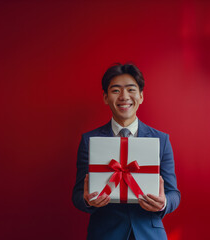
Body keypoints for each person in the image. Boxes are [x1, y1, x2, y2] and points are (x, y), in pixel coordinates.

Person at [72, 63, 180, 240]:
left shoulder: (161, 140)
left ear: (141, 96)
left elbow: (174, 193)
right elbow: (77, 194)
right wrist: (86, 200)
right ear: (106, 97)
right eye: (115, 90)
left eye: (131, 89)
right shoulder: (89, 141)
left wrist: (163, 203)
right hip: (105, 233)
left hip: (150, 233)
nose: (124, 96)